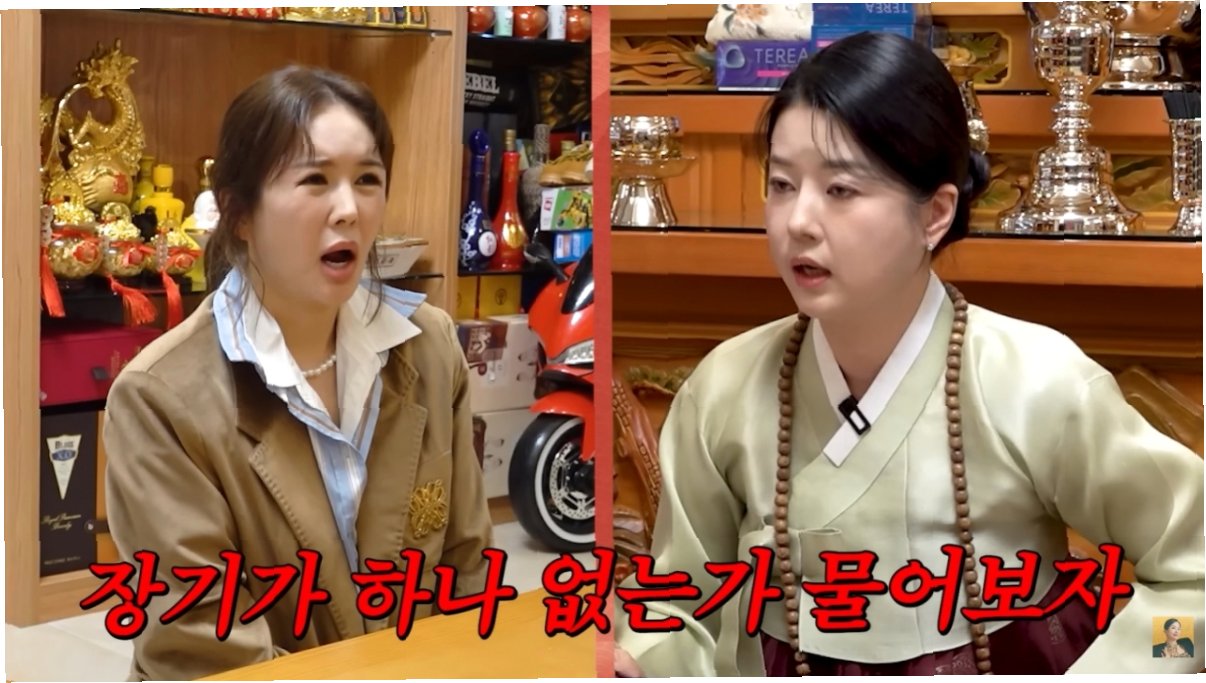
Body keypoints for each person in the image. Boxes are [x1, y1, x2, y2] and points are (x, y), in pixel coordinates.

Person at [613, 32, 1204, 676]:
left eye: (840, 189)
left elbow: (1194, 582)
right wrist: (644, 661)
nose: (798, 221)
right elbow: (673, 606)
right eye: (782, 184)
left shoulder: (1037, 382)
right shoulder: (724, 389)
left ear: (934, 215)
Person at [103, 65, 493, 681]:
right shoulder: (159, 398)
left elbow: (468, 571)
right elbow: (202, 647)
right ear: (239, 213)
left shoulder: (430, 347)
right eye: (315, 180)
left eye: (367, 179)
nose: (349, 209)